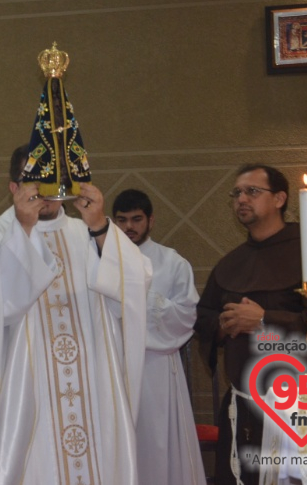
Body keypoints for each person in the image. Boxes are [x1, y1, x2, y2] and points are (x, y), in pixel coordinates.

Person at [0, 145, 151, 485]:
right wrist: (22, 233)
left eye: (56, 183)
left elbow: (135, 284)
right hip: (26, 396)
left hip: (91, 391)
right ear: (14, 188)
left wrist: (101, 226)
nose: (47, 195)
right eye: (36, 183)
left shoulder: (85, 232)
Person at [195, 164, 307, 485]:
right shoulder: (231, 263)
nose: (241, 199)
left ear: (279, 199)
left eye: (252, 191)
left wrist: (265, 319)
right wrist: (225, 324)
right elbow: (205, 318)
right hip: (244, 403)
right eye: (236, 193)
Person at [112, 189, 206, 485]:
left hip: (156, 368)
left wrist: (142, 297)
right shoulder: (102, 259)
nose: (129, 227)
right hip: (112, 366)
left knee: (156, 443)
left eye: (137, 219)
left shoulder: (173, 262)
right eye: (122, 220)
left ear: (151, 221)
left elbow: (186, 317)